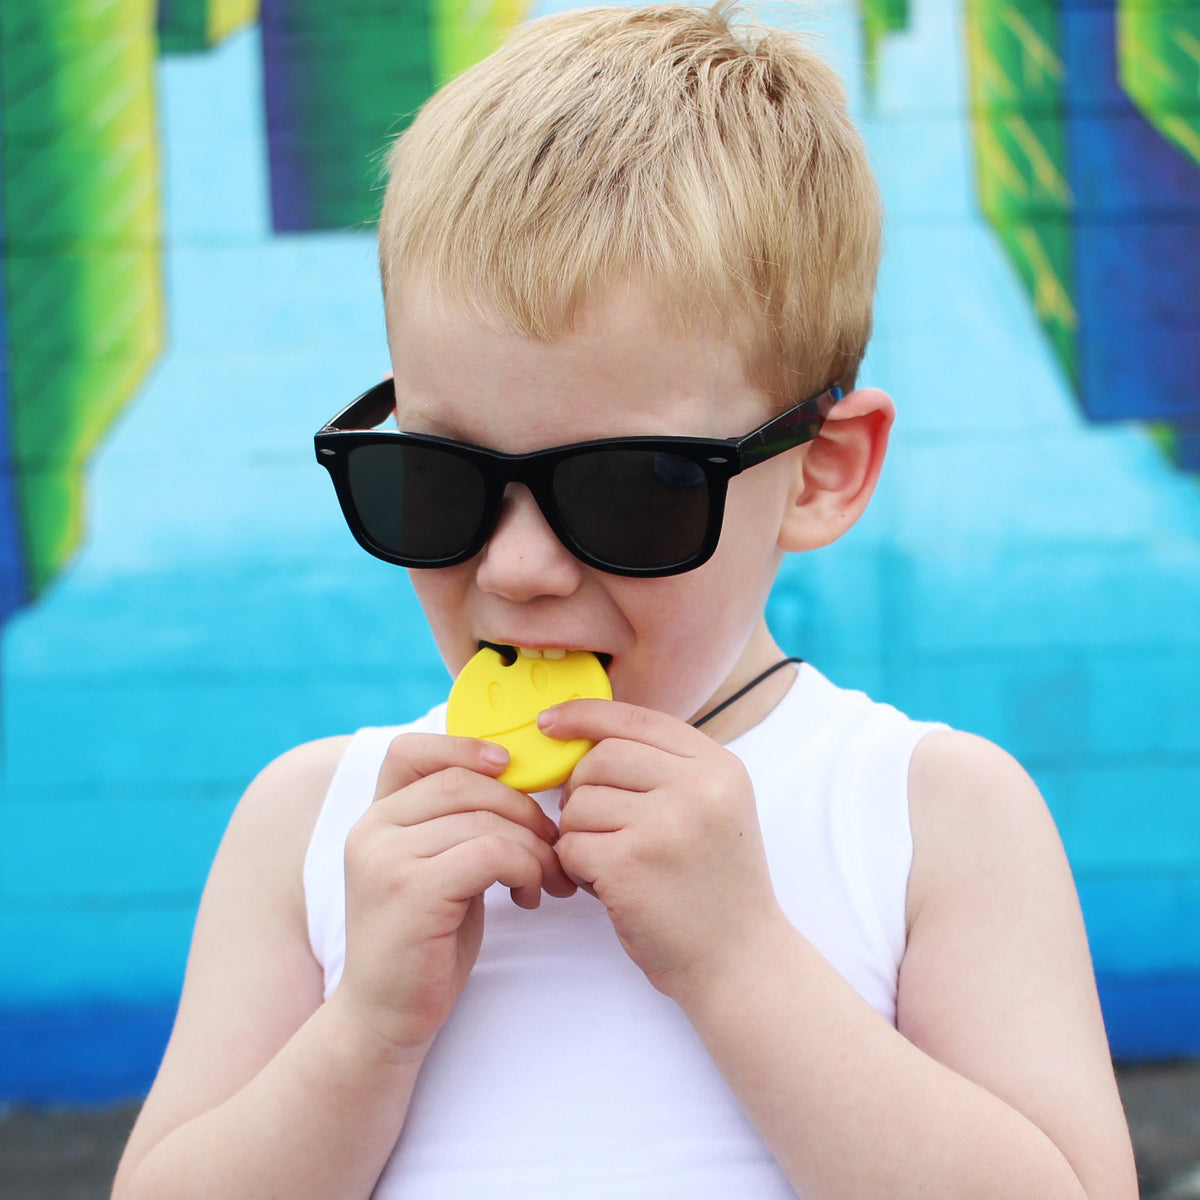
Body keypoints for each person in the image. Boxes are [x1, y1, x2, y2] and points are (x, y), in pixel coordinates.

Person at [111, 5, 1138, 1198]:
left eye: (630, 489)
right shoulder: (314, 825)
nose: (518, 567)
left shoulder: (929, 817)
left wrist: (742, 962)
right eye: (439, 482)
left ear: (820, 472)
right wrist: (367, 1027)